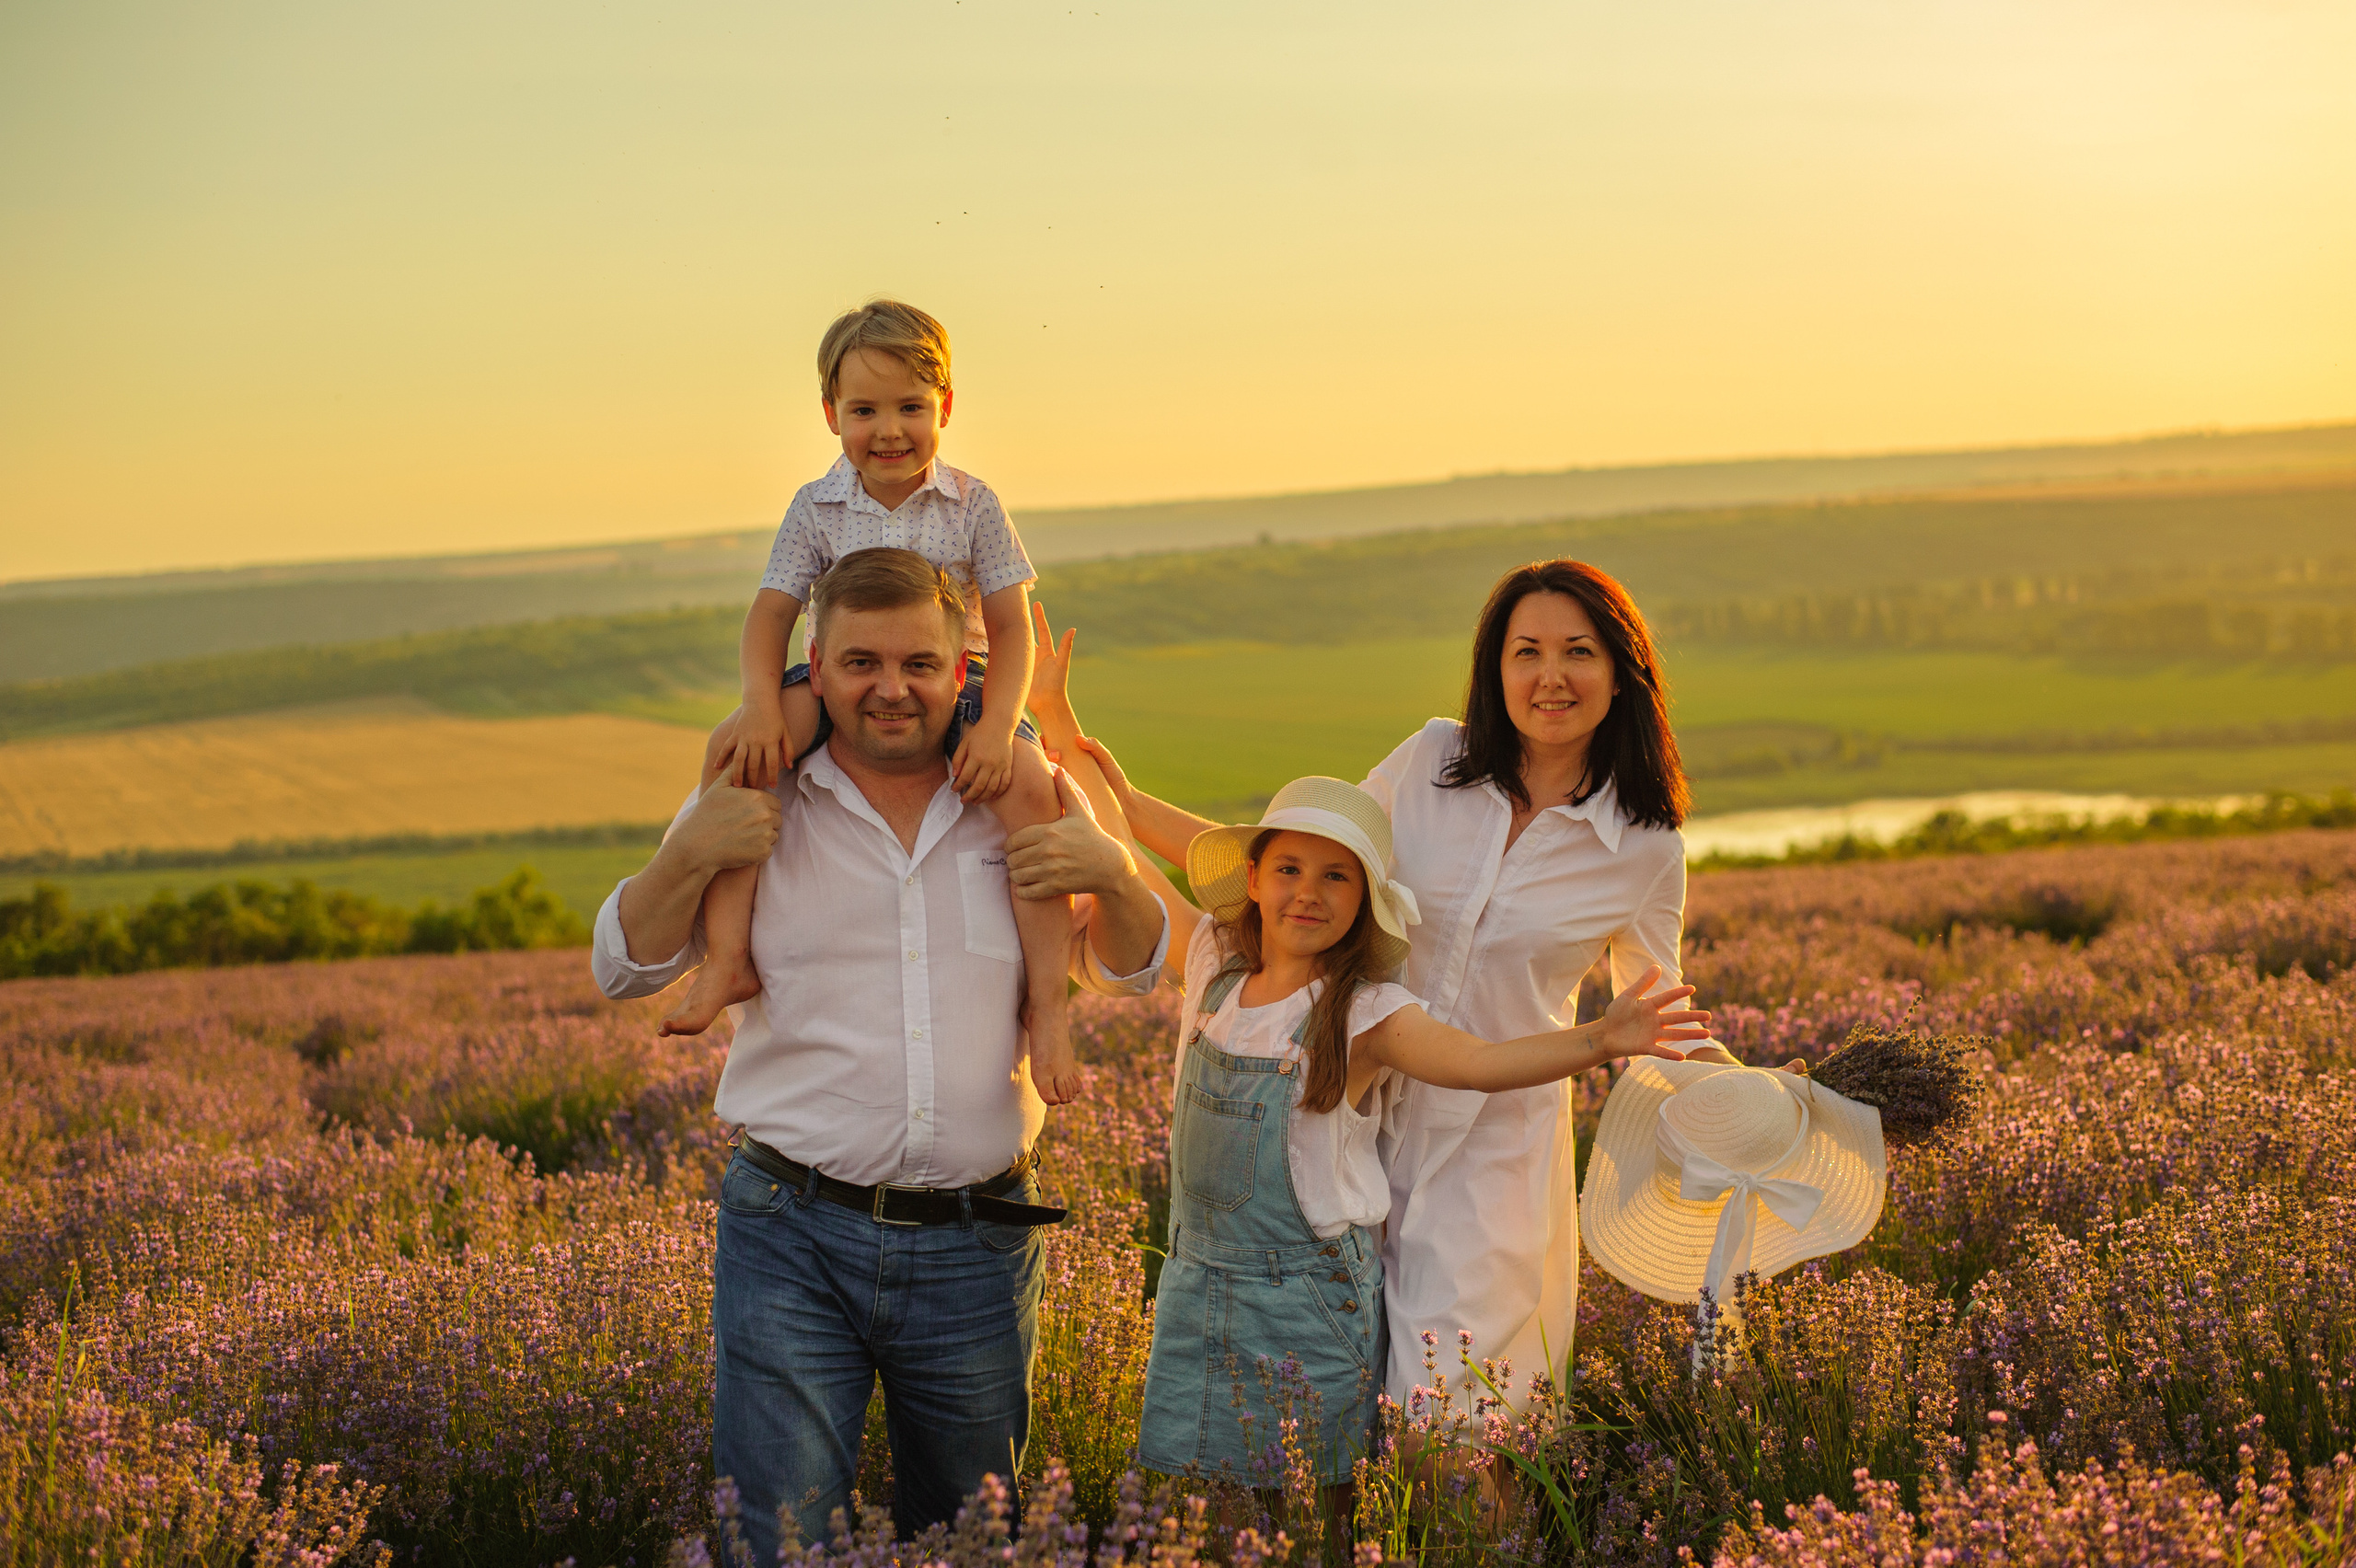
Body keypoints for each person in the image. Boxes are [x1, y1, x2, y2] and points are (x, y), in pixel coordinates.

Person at [589, 548, 1170, 1557]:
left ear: (966, 673)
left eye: (918, 665)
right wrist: (684, 853)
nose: (890, 689)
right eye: (860, 662)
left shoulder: (1021, 793)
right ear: (813, 664)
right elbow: (624, 969)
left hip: (978, 1243)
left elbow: (1128, 968)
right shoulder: (761, 787)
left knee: (968, 1538)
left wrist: (1117, 879)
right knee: (781, 1541)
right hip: (790, 1234)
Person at [1033, 559, 1707, 1410]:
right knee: (1334, 1406)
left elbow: (1660, 1015)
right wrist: (1119, 798)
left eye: (1578, 652)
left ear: (1621, 671)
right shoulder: (1433, 760)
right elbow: (1305, 867)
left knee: (1454, 1427)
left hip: (1490, 1157)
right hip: (1346, 1125)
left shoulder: (1645, 845)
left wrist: (1752, 1097)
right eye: (1524, 651)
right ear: (1493, 670)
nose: (1549, 677)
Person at [1104, 776, 1707, 1524]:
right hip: (1201, 1290)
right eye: (1288, 869)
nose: (1309, 893)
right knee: (1210, 1512)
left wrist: (1601, 1039)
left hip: (1310, 1300)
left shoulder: (1364, 1011)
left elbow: (1476, 1062)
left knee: (1310, 1517)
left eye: (1337, 877)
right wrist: (1065, 749)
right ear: (1253, 880)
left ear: (1365, 902)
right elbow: (1111, 860)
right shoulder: (1214, 969)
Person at [657, 299, 1085, 1110]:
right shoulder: (816, 507)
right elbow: (772, 615)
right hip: (838, 685)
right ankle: (725, 957)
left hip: (957, 683)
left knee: (1033, 793)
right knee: (736, 756)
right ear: (830, 415)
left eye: (910, 408)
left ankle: (1050, 1006)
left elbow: (1008, 625)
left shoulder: (974, 503)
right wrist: (757, 703)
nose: (889, 430)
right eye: (864, 410)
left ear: (946, 409)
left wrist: (996, 726)